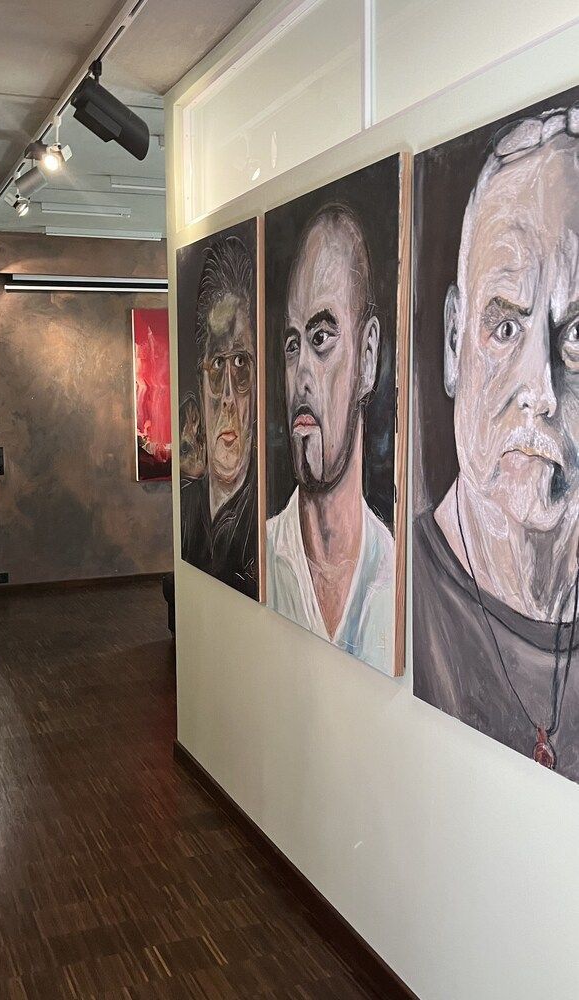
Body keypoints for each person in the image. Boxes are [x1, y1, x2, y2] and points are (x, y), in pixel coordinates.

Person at [413, 106, 579, 778]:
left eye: (577, 335)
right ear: (455, 342)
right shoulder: (403, 591)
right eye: (504, 327)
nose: (540, 388)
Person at [266, 205, 394, 672]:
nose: (301, 374)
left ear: (367, 355)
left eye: (321, 338)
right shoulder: (263, 556)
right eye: (292, 345)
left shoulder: (395, 575)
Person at [180, 236, 258, 598]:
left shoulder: (268, 525)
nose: (227, 397)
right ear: (200, 381)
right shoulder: (185, 509)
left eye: (241, 362)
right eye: (216, 365)